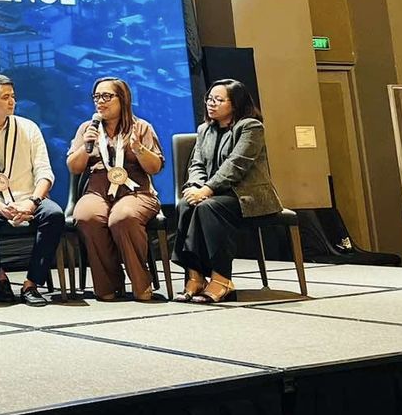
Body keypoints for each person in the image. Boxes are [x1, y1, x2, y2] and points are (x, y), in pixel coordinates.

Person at [173, 79, 283, 304]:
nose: (211, 104)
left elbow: (236, 165)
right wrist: (195, 186)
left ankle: (222, 279)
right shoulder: (204, 130)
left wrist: (208, 189)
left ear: (235, 104)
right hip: (214, 194)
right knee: (186, 204)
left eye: (218, 100)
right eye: (209, 99)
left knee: (209, 207)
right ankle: (195, 276)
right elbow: (197, 164)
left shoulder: (251, 127)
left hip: (247, 197)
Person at [0, 74, 60, 306]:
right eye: (5, 97)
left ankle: (31, 283)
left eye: (13, 96)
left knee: (54, 215)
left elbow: (45, 172)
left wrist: (32, 202)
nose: (12, 101)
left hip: (29, 196)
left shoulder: (29, 128)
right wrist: (0, 206)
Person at [66, 77, 165, 302]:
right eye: (96, 97)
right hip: (98, 189)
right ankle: (108, 284)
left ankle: (141, 282)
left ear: (123, 99)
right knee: (86, 216)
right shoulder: (87, 128)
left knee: (123, 217)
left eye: (107, 96)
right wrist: (85, 147)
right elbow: (74, 167)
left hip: (136, 190)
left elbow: (155, 167)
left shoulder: (141, 127)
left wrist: (139, 149)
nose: (100, 102)